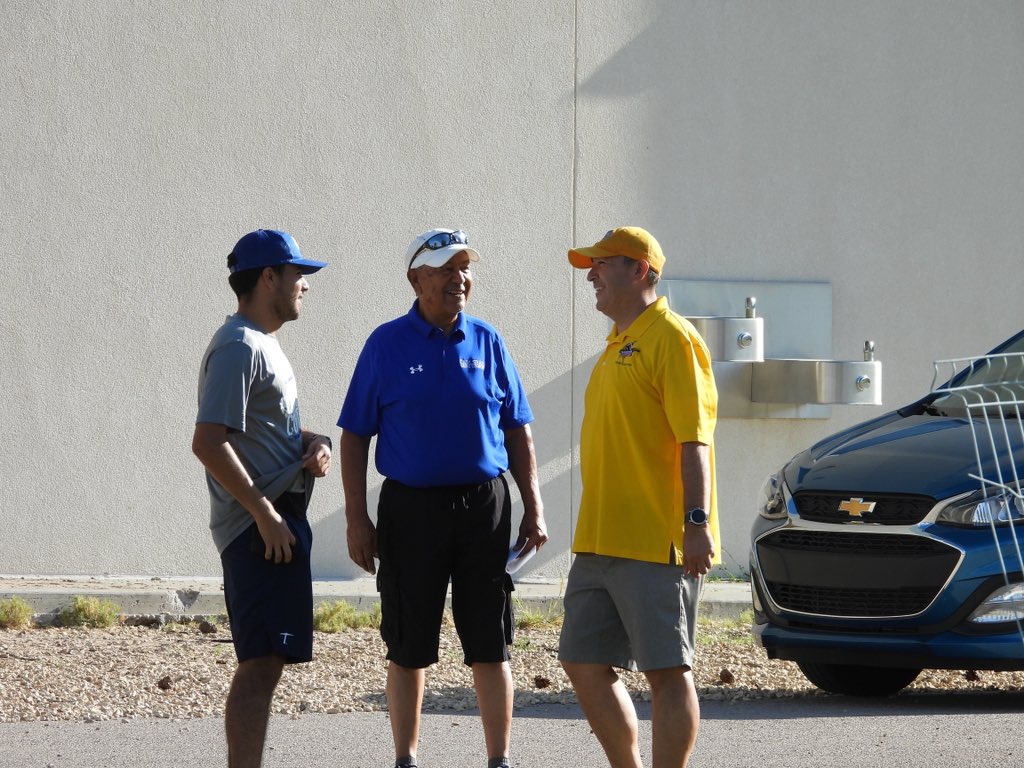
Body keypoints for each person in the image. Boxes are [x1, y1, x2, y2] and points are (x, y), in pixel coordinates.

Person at [338, 228, 548, 768]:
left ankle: (498, 759)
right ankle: (406, 758)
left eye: (465, 268)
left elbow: (517, 427)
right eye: (446, 268)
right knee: (408, 641)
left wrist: (534, 503)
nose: (460, 278)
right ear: (416, 279)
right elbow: (356, 433)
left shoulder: (489, 341)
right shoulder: (385, 344)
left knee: (490, 638)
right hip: (411, 510)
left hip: (485, 507)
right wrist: (357, 518)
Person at [558, 227, 719, 768]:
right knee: (581, 661)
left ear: (641, 271)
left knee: (667, 672)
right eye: (591, 265)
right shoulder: (616, 343)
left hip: (656, 541)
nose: (591, 275)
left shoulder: (673, 338)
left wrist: (696, 521)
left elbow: (694, 438)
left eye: (603, 264)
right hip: (598, 537)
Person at [192, 229, 334, 768]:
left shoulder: (262, 344)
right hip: (259, 529)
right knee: (258, 664)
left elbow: (259, 433)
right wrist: (264, 514)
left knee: (269, 661)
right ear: (269, 277)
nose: (305, 286)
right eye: (299, 275)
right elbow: (208, 441)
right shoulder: (237, 346)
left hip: (276, 519)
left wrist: (312, 443)